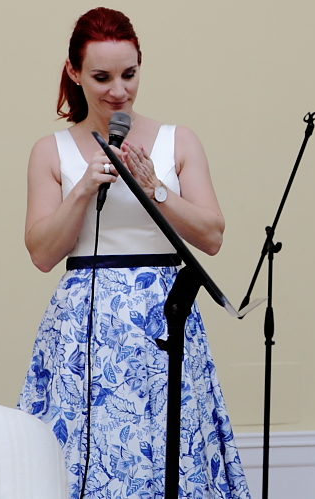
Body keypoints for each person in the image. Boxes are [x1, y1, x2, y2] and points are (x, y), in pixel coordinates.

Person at [17, 7, 250, 499]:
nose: (118, 90)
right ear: (74, 72)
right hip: (84, 326)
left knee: (168, 449)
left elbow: (212, 235)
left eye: (129, 74)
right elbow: (41, 254)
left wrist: (155, 189)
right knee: (84, 455)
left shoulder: (177, 141)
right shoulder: (50, 150)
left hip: (164, 317)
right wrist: (83, 188)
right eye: (102, 77)